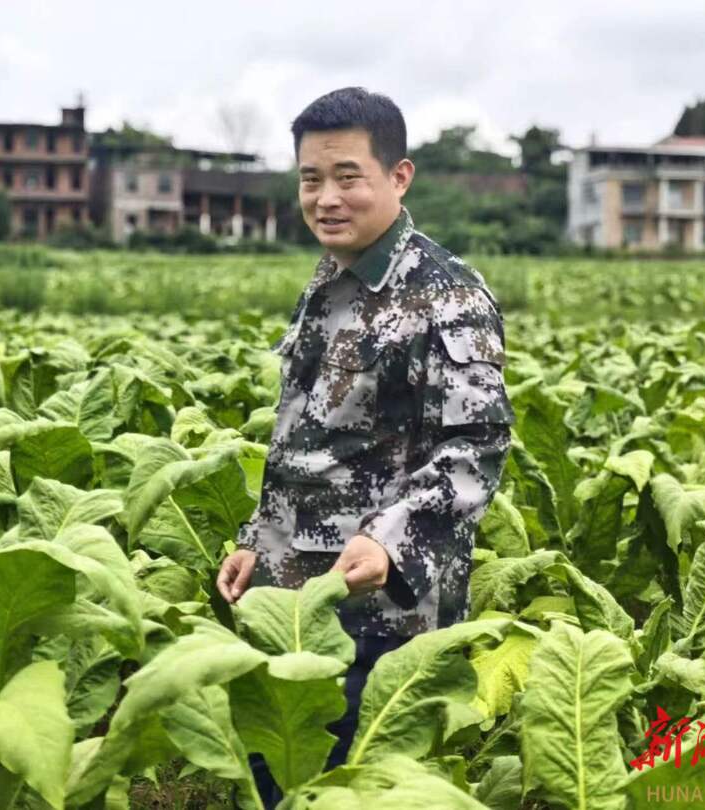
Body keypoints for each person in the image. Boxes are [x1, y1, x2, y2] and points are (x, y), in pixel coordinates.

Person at [216, 86, 515, 807]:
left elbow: (473, 449)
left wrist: (390, 544)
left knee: (356, 790)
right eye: (310, 179)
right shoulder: (331, 283)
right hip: (292, 600)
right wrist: (259, 539)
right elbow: (302, 441)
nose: (326, 198)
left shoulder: (445, 296)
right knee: (278, 782)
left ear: (398, 176)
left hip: (378, 613)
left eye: (348, 176)